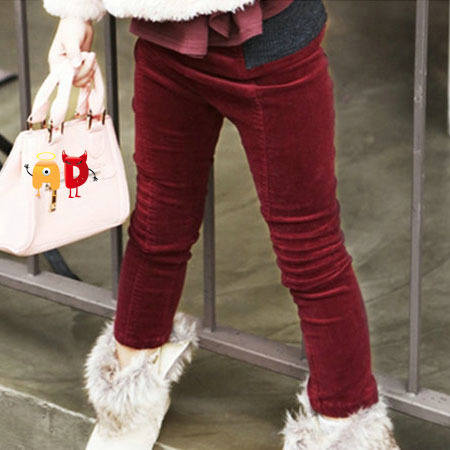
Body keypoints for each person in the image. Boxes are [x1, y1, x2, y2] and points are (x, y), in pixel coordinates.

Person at [42, 0, 401, 449]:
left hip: (273, 46)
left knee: (310, 249)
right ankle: (127, 398)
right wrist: (75, 13)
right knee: (156, 227)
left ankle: (343, 424)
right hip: (165, 42)